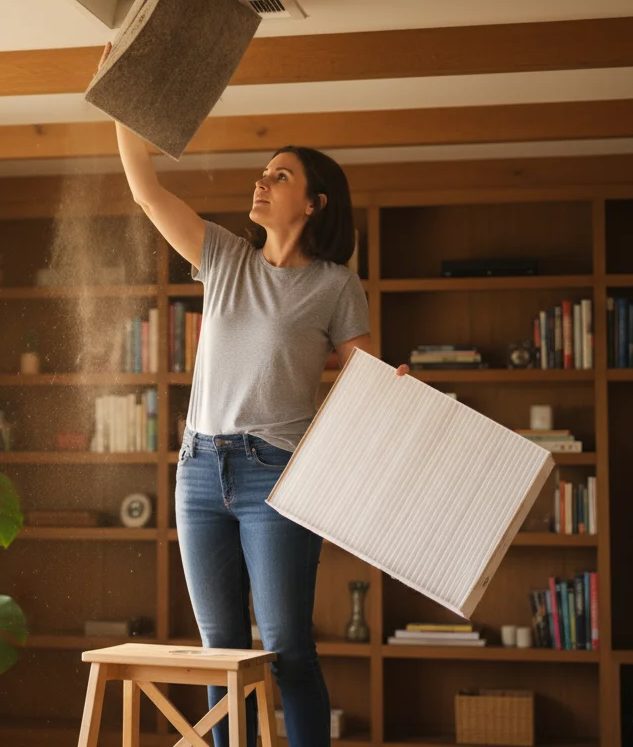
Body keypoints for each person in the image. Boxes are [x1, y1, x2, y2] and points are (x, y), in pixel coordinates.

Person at [100, 44, 408, 747]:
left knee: (289, 650)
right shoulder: (223, 257)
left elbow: (363, 379)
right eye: (263, 173)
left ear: (313, 201)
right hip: (200, 471)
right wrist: (123, 98)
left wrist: (393, 385)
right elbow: (147, 190)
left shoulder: (334, 283)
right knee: (223, 650)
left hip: (278, 476)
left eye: (280, 176)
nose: (262, 183)